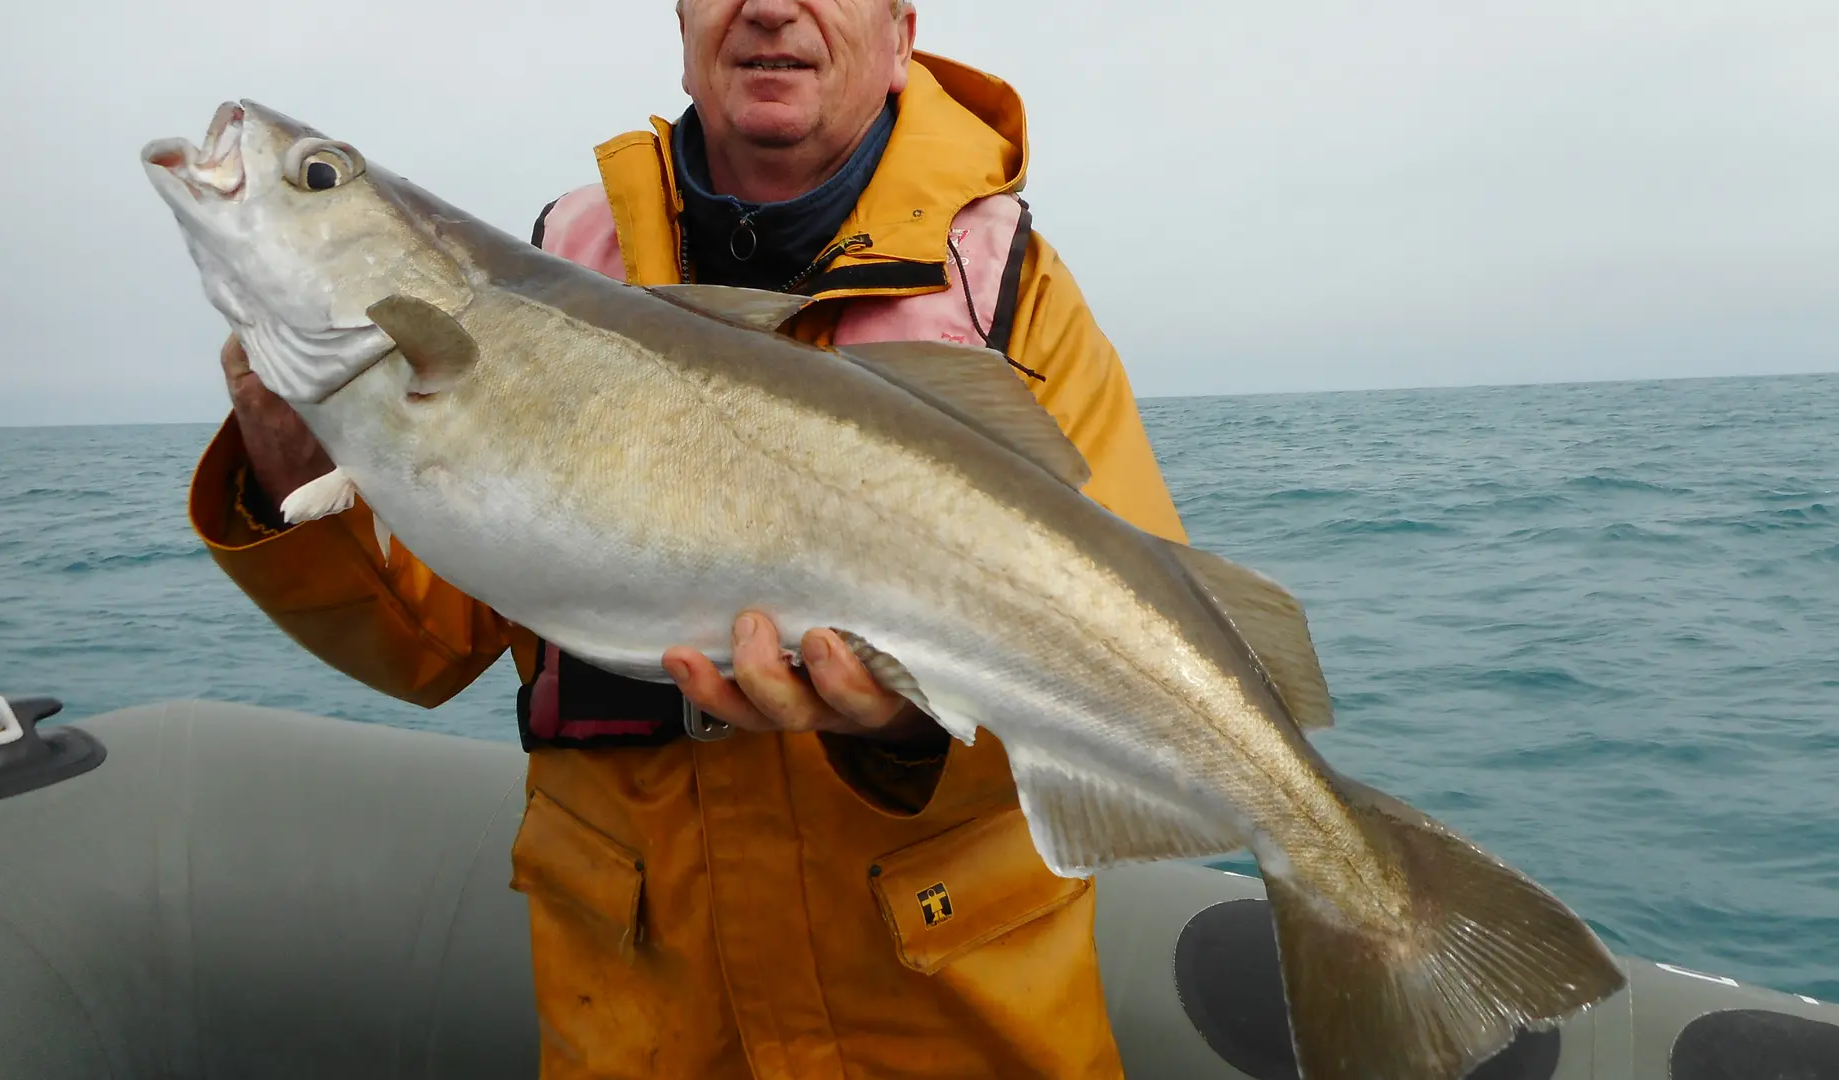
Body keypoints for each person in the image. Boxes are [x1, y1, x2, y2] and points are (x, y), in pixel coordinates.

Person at [187, 0, 1189, 1076]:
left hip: (955, 1027)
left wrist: (913, 730)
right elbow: (426, 646)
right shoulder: (553, 265)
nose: (767, 7)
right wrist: (294, 460)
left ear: (902, 34)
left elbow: (1138, 693)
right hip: (635, 1023)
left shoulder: (1015, 297)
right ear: (682, 22)